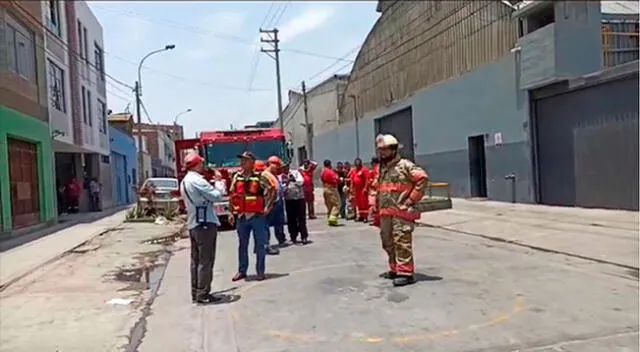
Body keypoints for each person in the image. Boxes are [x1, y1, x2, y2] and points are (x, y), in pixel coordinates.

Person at [375, 134, 428, 287]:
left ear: (394, 149)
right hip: (386, 213)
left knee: (401, 241)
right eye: (380, 150)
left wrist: (411, 200)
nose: (382, 153)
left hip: (401, 213)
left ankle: (406, 273)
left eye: (385, 150)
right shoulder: (382, 169)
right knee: (387, 242)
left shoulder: (405, 165)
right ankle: (395, 269)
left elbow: (422, 179)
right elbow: (380, 189)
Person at [180, 151, 226, 304]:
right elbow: (217, 196)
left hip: (194, 223)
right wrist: (219, 182)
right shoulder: (198, 180)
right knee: (206, 260)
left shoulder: (186, 181)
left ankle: (196, 292)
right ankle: (203, 293)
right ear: (196, 164)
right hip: (204, 224)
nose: (203, 165)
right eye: (201, 163)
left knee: (196, 261)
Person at [229, 152, 275, 282]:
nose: (242, 162)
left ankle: (260, 271)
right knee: (242, 245)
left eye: (245, 160)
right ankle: (242, 271)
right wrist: (231, 212)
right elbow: (232, 195)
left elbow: (272, 190)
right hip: (242, 216)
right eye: (242, 160)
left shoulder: (260, 177)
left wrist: (268, 207)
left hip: (257, 216)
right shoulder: (236, 177)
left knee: (260, 245)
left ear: (252, 162)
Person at [281, 163, 310, 244]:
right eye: (283, 167)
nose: (285, 169)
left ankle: (304, 236)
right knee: (291, 219)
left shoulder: (295, 173)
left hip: (299, 198)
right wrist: (285, 183)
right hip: (289, 199)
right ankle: (293, 236)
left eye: (286, 166)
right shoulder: (280, 176)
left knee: (301, 218)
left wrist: (293, 180)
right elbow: (281, 189)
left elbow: (301, 182)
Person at [320, 159, 341, 226]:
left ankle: (330, 218)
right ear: (330, 164)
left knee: (329, 205)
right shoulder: (330, 172)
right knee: (336, 204)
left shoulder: (322, 172)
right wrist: (340, 179)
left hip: (325, 188)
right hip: (331, 188)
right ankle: (333, 218)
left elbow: (322, 179)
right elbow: (336, 179)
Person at [368, 157, 381, 227]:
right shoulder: (380, 168)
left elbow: (377, 179)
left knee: (375, 205)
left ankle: (376, 220)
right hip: (379, 189)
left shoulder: (377, 169)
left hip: (378, 190)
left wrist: (372, 183)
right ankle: (376, 220)